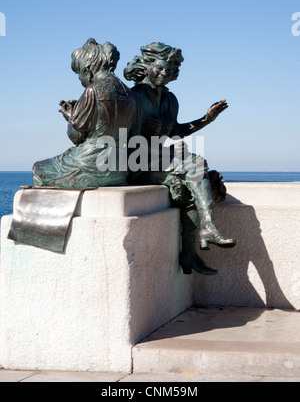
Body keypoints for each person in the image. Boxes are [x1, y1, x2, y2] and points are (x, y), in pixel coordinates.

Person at [124, 42, 236, 275]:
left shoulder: (170, 100)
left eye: (171, 70)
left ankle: (189, 255)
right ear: (147, 66)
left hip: (159, 160)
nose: (166, 74)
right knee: (194, 163)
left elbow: (175, 131)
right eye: (162, 68)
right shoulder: (134, 98)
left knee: (188, 189)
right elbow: (124, 142)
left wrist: (206, 119)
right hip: (135, 163)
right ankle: (207, 228)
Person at [33, 38, 135, 188]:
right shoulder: (129, 94)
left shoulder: (92, 91)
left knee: (38, 169)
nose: (80, 80)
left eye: (79, 75)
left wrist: (70, 117)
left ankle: (57, 211)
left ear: (87, 72)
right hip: (119, 168)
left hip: (91, 166)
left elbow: (76, 137)